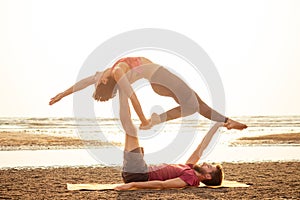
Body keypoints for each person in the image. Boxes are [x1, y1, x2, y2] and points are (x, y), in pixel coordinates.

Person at [49, 56, 247, 130]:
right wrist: (144, 120)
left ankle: (227, 122)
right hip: (160, 77)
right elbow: (132, 96)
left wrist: (61, 94)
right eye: (100, 83)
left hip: (158, 82)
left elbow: (82, 83)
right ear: (107, 81)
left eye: (98, 83)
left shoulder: (102, 74)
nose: (97, 81)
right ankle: (156, 119)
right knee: (193, 105)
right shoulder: (117, 72)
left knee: (195, 104)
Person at [114, 89, 225, 190]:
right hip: (137, 171)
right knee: (129, 128)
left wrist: (132, 185)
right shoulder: (189, 168)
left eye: (209, 167)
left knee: (131, 129)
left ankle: (122, 88)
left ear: (208, 176)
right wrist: (216, 126)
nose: (205, 163)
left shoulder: (190, 178)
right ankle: (122, 90)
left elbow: (163, 185)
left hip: (139, 174)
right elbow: (201, 148)